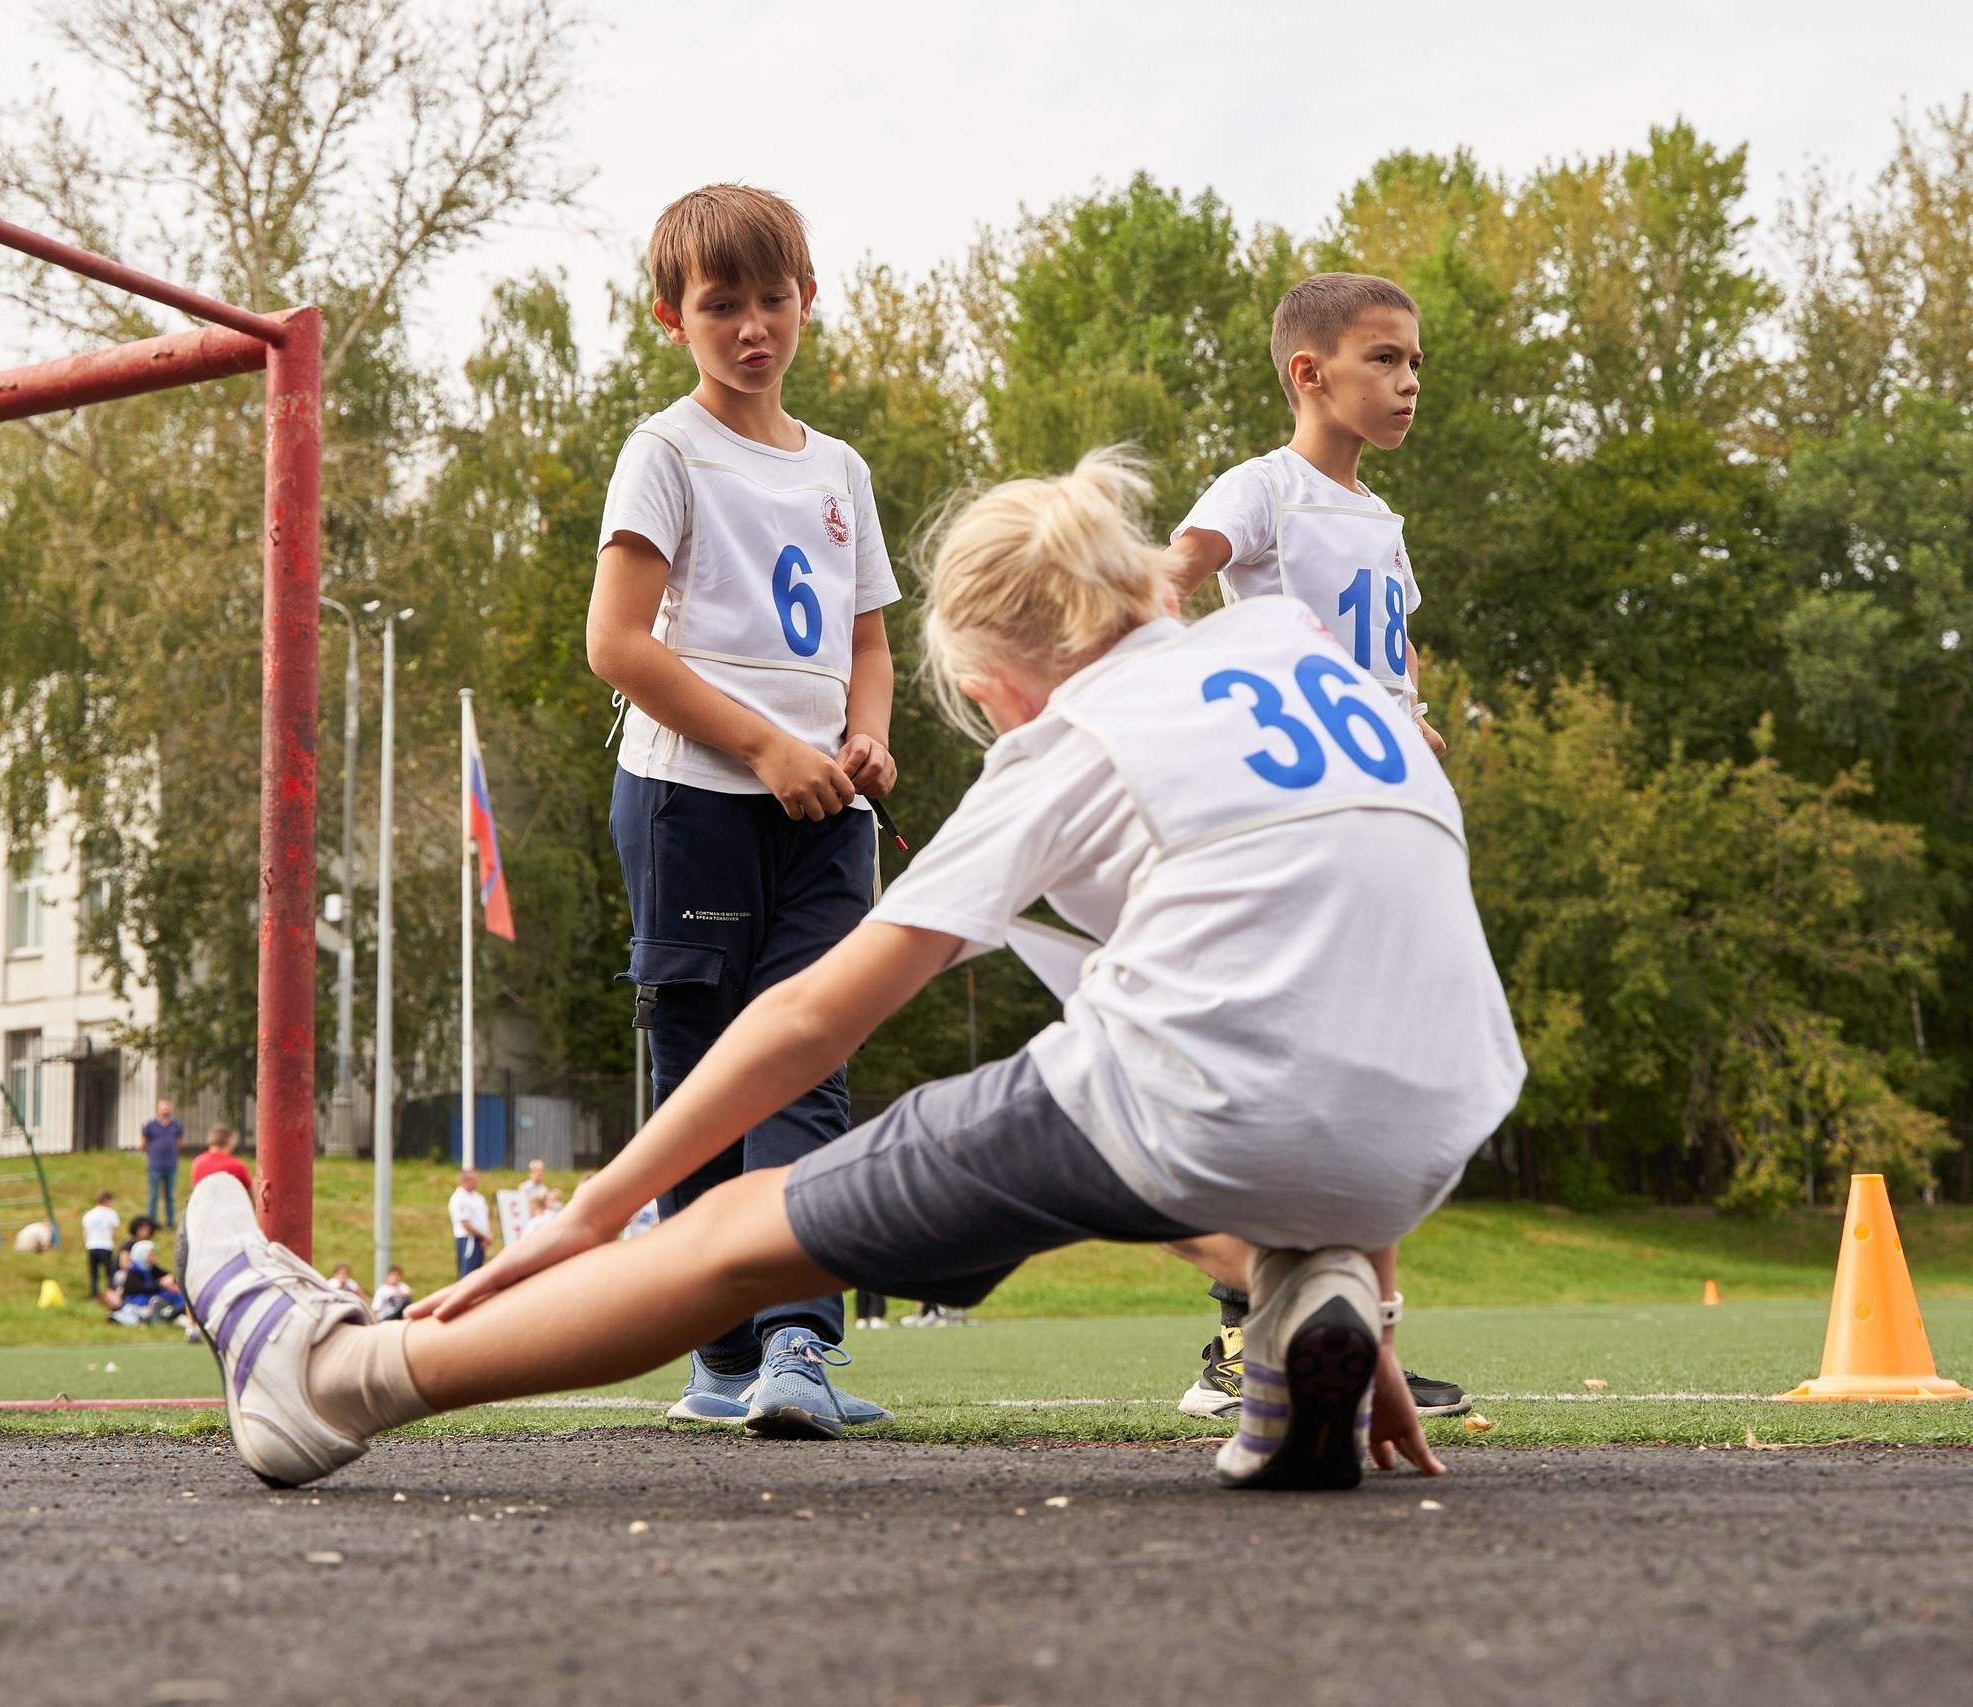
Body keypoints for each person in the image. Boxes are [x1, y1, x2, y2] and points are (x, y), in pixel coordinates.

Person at [177, 447, 1524, 1492]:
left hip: (1214, 1107)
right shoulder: (1298, 649)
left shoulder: (1067, 737)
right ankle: (1304, 1293)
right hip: (1435, 1124)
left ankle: (336, 1378)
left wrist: (598, 1209)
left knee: (727, 1232)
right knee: (1164, 1057)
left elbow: (815, 1016)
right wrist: (1368, 1295)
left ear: (1001, 678)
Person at [586, 184, 901, 1437]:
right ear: (673, 318)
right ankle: (717, 1353)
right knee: (705, 1071)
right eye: (723, 305)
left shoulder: (840, 468)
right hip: (689, 801)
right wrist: (767, 745)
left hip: (827, 811)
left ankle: (797, 1343)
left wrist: (861, 736)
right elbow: (616, 643)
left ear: (808, 300)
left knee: (809, 1050)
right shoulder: (663, 451)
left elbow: (867, 641)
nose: (753, 326)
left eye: (775, 299)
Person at [1154, 272, 1470, 1425]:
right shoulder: (1266, 489)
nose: (1408, 382)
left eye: (1415, 363)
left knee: (1361, 1076)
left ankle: (1354, 1337)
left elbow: (1389, 656)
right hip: (1285, 819)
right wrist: (1223, 707)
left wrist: (1408, 716)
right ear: (1310, 373)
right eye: (1385, 359)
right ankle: (1241, 1348)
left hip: (1375, 824)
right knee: (1272, 1070)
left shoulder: (1379, 522)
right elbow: (1162, 586)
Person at [141, 1096, 186, 1230]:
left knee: (169, 1195)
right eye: (163, 1106)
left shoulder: (176, 1125)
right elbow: (143, 1144)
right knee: (153, 1195)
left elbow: (180, 1143)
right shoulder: (150, 1125)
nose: (165, 1108)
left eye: (168, 1106)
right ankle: (151, 1222)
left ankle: (170, 1222)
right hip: (154, 1165)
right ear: (158, 1108)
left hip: (170, 1165)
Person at [447, 1169, 491, 1279]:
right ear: (465, 1180)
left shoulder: (478, 1197)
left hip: (480, 1240)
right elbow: (464, 1223)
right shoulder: (459, 1198)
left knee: (478, 1273)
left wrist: (487, 1234)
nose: (477, 1182)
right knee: (467, 1275)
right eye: (474, 1180)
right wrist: (482, 1235)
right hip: (468, 1240)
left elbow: (485, 1217)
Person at [190, 1123, 253, 1196]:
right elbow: (249, 1190)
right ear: (229, 1141)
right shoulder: (236, 1166)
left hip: (203, 1205)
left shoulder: (197, 1162)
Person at [83, 1189, 122, 1301]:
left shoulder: (89, 1214)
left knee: (94, 1273)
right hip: (105, 1245)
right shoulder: (111, 1214)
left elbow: (86, 1232)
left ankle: (94, 1295)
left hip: (91, 1246)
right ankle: (110, 1293)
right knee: (110, 1271)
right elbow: (113, 1231)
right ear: (107, 1200)